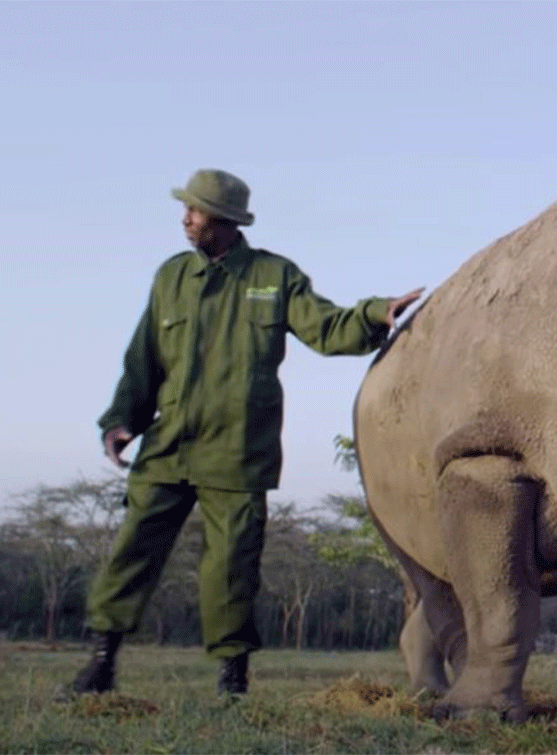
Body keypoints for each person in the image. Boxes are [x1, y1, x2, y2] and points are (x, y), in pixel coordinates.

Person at [71, 168, 423, 698]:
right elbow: (142, 359)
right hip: (169, 447)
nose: (186, 218)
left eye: (196, 210)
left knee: (231, 570)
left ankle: (231, 680)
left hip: (238, 452)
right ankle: (100, 665)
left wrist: (376, 312)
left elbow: (324, 327)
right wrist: (120, 422)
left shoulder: (273, 276)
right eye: (186, 208)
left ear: (227, 221)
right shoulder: (170, 277)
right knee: (130, 554)